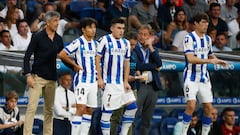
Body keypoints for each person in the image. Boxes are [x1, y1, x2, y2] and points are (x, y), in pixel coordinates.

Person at [181, 12, 228, 135]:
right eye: (203, 22)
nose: (206, 25)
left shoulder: (207, 39)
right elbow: (190, 58)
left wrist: (217, 60)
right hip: (191, 77)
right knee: (191, 106)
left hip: (204, 78)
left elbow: (210, 54)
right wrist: (210, 60)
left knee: (208, 108)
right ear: (196, 24)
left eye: (207, 23)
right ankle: (182, 133)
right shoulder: (189, 38)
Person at [23, 11, 64, 135]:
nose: (57, 23)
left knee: (49, 110)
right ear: (47, 22)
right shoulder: (38, 37)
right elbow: (26, 57)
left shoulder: (59, 39)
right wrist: (28, 75)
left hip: (52, 78)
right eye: (55, 21)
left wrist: (74, 66)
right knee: (31, 108)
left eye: (58, 21)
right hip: (37, 77)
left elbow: (64, 56)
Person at [96, 18, 137, 135]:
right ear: (112, 28)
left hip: (121, 83)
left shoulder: (126, 43)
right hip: (108, 84)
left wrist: (125, 81)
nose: (121, 31)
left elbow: (127, 62)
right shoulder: (104, 40)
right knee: (107, 113)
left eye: (123, 28)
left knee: (132, 107)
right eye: (119, 28)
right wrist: (99, 78)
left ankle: (123, 133)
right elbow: (97, 58)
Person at [58, 17, 98, 135]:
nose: (93, 30)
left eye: (94, 27)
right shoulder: (78, 42)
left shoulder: (96, 44)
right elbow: (62, 54)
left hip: (93, 81)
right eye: (90, 27)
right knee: (80, 108)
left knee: (89, 110)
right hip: (82, 79)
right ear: (83, 29)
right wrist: (74, 65)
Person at [133, 25, 162, 135]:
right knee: (133, 116)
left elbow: (159, 64)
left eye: (145, 35)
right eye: (140, 34)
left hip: (152, 86)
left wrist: (150, 46)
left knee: (147, 119)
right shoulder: (133, 48)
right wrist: (152, 66)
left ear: (150, 36)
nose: (142, 37)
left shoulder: (153, 50)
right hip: (139, 86)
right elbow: (134, 65)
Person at [110, 31, 140, 135]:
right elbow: (113, 71)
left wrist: (138, 73)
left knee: (130, 116)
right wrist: (126, 78)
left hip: (132, 88)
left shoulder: (135, 53)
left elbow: (136, 66)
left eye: (134, 45)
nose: (132, 47)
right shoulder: (117, 54)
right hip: (119, 88)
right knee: (116, 117)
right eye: (130, 44)